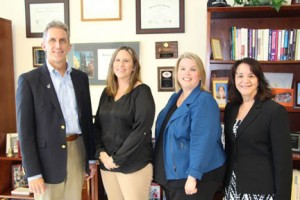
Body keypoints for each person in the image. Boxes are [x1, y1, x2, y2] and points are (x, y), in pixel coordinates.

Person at [16, 20, 97, 200]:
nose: (58, 45)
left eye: (63, 40)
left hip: (77, 151)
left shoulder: (80, 78)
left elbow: (86, 123)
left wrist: (91, 158)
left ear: (69, 46)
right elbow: (25, 132)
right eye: (52, 40)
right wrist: (33, 173)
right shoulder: (29, 81)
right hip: (46, 160)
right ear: (44, 45)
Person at [154, 52, 226, 200]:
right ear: (177, 73)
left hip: (195, 175)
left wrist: (193, 176)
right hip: (174, 175)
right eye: (182, 68)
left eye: (193, 69)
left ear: (200, 74)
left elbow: (202, 141)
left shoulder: (204, 100)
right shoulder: (175, 98)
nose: (187, 73)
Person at [224, 57, 292, 200]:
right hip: (232, 188)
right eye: (240, 76)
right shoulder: (231, 108)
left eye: (251, 76)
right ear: (234, 79)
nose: (245, 81)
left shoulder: (274, 111)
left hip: (261, 190)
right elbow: (230, 150)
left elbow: (283, 161)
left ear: (259, 79)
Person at [94, 46, 155, 200]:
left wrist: (116, 159)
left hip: (134, 165)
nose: (121, 64)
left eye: (126, 61)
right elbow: (98, 127)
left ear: (134, 66)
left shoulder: (142, 92)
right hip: (107, 165)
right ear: (112, 64)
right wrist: (102, 154)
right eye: (117, 60)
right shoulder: (107, 93)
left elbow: (141, 130)